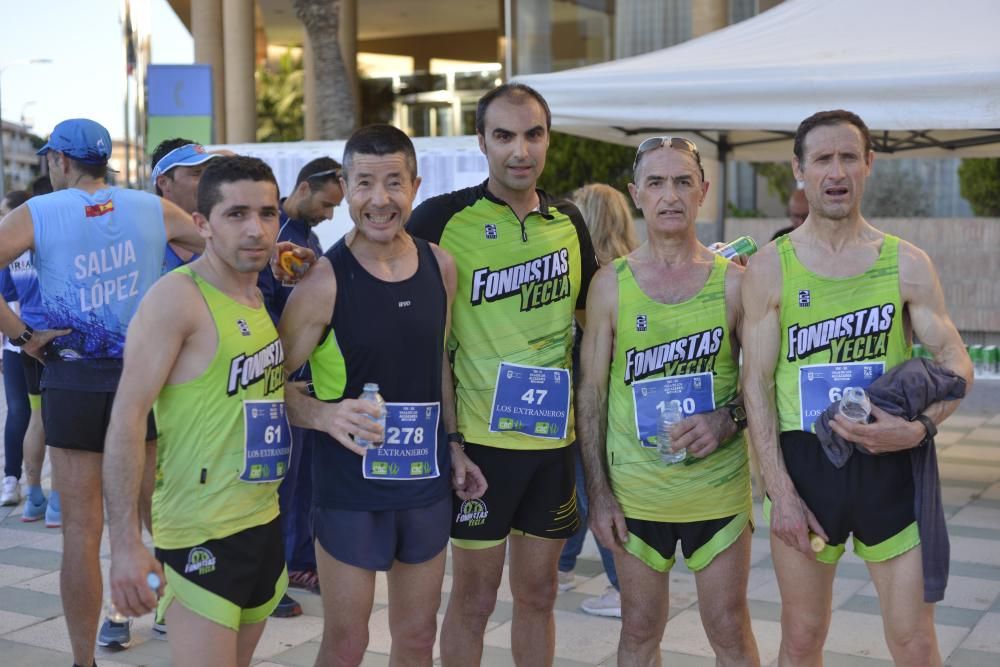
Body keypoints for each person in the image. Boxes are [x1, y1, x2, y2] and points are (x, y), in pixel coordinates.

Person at [741, 110, 974, 666]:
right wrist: (780, 491)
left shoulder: (906, 264)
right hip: (805, 467)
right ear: (799, 169)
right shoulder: (772, 267)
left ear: (869, 164)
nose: (836, 171)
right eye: (822, 158)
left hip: (890, 465)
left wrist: (915, 430)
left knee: (913, 640)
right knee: (801, 639)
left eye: (849, 156)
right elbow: (755, 385)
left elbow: (957, 365)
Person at [277, 124, 486, 666]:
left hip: (425, 484)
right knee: (347, 642)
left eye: (394, 183)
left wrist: (455, 443)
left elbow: (436, 358)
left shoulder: (441, 266)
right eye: (365, 183)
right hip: (350, 490)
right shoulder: (322, 281)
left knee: (417, 638)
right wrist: (325, 415)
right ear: (345, 187)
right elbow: (269, 384)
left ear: (415, 185)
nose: (379, 200)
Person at [0, 117, 206, 667]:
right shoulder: (149, 208)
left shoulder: (37, 212)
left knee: (81, 533)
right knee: (154, 516)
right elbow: (212, 250)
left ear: (60, 162)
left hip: (71, 378)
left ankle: (82, 660)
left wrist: (21, 336)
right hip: (145, 380)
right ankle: (187, 638)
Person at [408, 83, 599, 666]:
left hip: (551, 446)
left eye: (533, 134)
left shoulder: (568, 222)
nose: (521, 150)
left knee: (539, 595)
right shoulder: (442, 218)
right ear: (481, 142)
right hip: (480, 453)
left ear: (548, 139)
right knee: (474, 600)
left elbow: (595, 324)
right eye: (505, 136)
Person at [579, 137, 759, 665]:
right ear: (636, 194)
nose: (670, 195)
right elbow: (589, 394)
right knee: (637, 630)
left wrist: (728, 420)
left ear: (703, 191)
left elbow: (765, 385)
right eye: (656, 183)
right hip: (637, 495)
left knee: (728, 628)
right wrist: (599, 494)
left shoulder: (734, 284)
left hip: (716, 492)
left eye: (683, 181)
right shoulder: (610, 285)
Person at [105, 156, 290, 667]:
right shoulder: (177, 299)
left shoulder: (254, 291)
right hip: (201, 533)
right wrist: (125, 546)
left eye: (268, 213)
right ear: (203, 225)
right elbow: (126, 418)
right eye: (236, 214)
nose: (256, 229)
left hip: (264, 519)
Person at [258, 156, 344, 618]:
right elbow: (266, 306)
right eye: (327, 204)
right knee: (280, 481)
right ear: (305, 186)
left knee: (304, 477)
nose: (330, 215)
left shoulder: (308, 238)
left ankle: (300, 562)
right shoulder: (274, 235)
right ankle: (274, 573)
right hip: (273, 375)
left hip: (306, 377)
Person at [557, 183, 638, 618]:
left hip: (582, 396)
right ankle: (564, 566)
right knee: (583, 484)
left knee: (590, 488)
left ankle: (624, 586)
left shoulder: (586, 276)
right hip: (622, 398)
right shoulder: (635, 269)